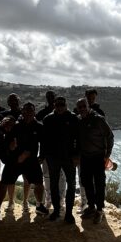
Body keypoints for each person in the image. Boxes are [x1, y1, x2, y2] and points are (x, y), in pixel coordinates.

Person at [0, 102, 48, 219]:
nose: (28, 113)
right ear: (22, 112)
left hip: (31, 160)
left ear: (34, 112)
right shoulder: (15, 126)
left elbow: (44, 143)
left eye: (30, 110)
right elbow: (5, 141)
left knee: (39, 183)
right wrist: (10, 148)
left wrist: (42, 156)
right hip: (14, 160)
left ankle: (39, 205)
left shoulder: (39, 126)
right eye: (26, 110)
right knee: (4, 183)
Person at [75, 97, 114, 224]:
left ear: (88, 106)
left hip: (98, 157)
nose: (82, 109)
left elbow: (110, 136)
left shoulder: (98, 119)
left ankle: (100, 210)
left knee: (99, 184)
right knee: (86, 182)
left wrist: (107, 155)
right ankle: (91, 207)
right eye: (80, 107)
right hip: (85, 158)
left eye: (84, 106)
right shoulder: (79, 120)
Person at [42, 96, 79, 224]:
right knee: (53, 184)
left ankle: (68, 213)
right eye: (57, 105)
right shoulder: (48, 119)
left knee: (71, 184)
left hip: (69, 157)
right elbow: (44, 140)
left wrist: (76, 155)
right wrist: (43, 155)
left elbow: (78, 138)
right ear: (54, 106)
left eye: (62, 104)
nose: (60, 107)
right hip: (53, 158)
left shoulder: (73, 118)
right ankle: (56, 210)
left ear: (66, 105)